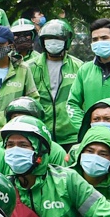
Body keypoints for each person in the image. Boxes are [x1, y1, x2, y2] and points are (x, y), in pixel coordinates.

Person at [29, 19, 84, 148]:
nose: (53, 42)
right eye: (48, 38)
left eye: (58, 38)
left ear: (67, 41)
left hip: (72, 136)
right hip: (40, 133)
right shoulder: (30, 67)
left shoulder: (80, 67)